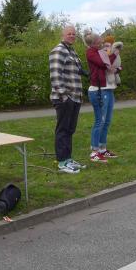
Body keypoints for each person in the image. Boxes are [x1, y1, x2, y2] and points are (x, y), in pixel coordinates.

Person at [49, 25, 88, 174]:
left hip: (76, 97)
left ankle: (68, 159)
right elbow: (55, 75)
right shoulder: (58, 50)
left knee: (70, 130)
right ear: (62, 35)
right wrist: (64, 96)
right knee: (63, 130)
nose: (72, 36)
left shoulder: (71, 51)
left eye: (74, 34)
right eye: (69, 34)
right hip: (65, 98)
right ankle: (62, 162)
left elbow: (76, 70)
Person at [86, 33, 121, 162]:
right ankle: (94, 152)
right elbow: (104, 63)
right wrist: (114, 54)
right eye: (99, 40)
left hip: (109, 89)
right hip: (99, 90)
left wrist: (116, 67)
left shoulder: (101, 51)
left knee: (106, 121)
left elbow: (115, 66)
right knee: (99, 121)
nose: (101, 41)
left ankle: (102, 149)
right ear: (94, 42)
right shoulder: (91, 52)